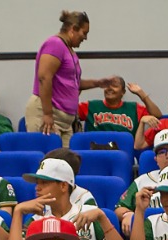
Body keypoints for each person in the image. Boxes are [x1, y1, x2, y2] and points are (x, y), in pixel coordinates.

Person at [6, 157, 127, 240]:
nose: (37, 188)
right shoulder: (36, 220)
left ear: (63, 186)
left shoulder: (89, 214)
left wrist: (102, 217)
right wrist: (18, 211)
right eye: (37, 183)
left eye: (44, 183)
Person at [28, 10, 110, 145]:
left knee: (67, 162)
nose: (85, 38)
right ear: (73, 29)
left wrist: (98, 83)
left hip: (66, 121)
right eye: (84, 33)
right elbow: (44, 78)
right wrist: (47, 114)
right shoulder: (55, 44)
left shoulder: (68, 50)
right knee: (49, 160)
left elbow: (71, 83)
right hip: (50, 114)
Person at [79, 77, 156, 141]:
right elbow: (69, 112)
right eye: (107, 85)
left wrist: (141, 93)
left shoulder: (134, 108)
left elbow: (157, 115)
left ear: (123, 92)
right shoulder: (90, 106)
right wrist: (75, 90)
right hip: (96, 151)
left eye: (114, 86)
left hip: (123, 153)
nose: (109, 88)